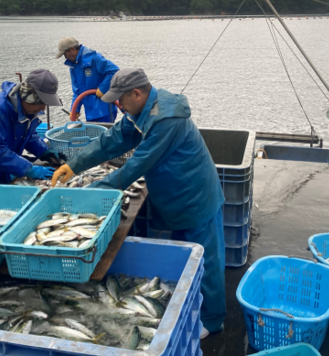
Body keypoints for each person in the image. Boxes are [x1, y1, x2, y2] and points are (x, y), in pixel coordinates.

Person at [51, 68, 226, 338]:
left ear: (137, 93)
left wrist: (85, 196)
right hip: (173, 194)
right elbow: (112, 140)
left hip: (195, 195)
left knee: (206, 260)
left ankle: (212, 320)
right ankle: (190, 303)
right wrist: (73, 166)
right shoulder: (139, 111)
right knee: (185, 254)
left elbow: (134, 167)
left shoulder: (166, 119)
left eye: (120, 100)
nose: (118, 106)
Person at [0, 69, 63, 185]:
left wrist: (45, 152)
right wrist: (29, 169)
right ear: (30, 97)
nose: (43, 109)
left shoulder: (26, 110)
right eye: (41, 103)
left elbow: (27, 135)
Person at [56, 37, 119, 123]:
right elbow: (77, 91)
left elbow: (114, 71)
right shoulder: (73, 66)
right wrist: (74, 110)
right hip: (89, 112)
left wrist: (102, 89)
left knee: (105, 134)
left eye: (64, 54)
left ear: (71, 49)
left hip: (105, 108)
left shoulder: (95, 58)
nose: (65, 57)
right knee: (94, 134)